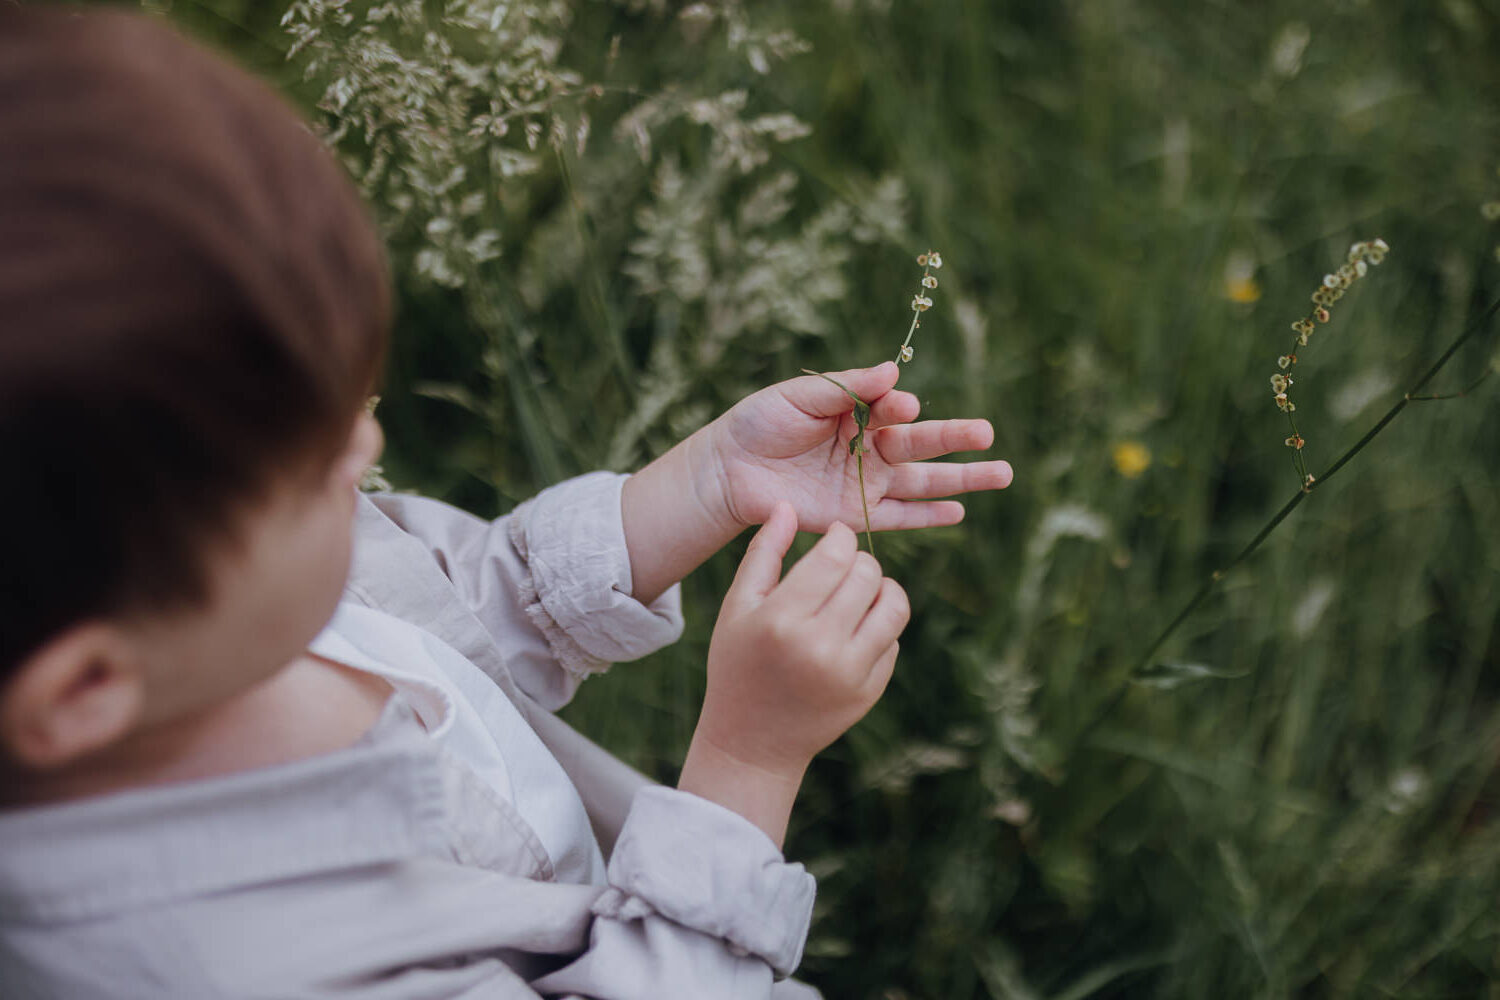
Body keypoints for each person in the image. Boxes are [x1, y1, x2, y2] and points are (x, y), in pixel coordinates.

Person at [0, 7, 1013, 998]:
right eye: (312, 473)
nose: (368, 444)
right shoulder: (240, 966)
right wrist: (749, 757)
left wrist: (705, 484)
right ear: (85, 688)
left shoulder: (176, 605)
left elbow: (462, 611)